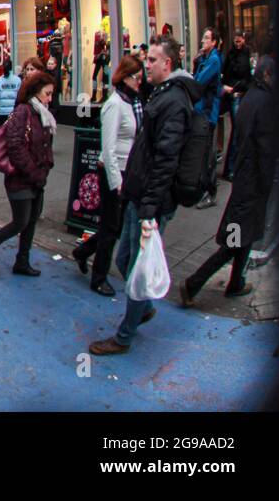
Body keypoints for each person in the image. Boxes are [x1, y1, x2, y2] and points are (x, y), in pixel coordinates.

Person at [89, 36, 201, 356]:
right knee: (125, 258)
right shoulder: (160, 94)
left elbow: (166, 160)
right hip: (138, 196)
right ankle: (144, 306)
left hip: (151, 201)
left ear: (167, 64)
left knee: (136, 266)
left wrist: (150, 205)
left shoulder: (174, 102)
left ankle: (125, 335)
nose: (145, 65)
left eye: (151, 60)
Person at [180, 57, 279, 307]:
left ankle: (235, 282)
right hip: (252, 183)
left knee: (243, 236)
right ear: (268, 75)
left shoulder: (250, 98)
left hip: (246, 180)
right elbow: (265, 147)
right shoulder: (264, 102)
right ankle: (193, 282)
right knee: (234, 241)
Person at [72, 56, 144, 296]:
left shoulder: (132, 102)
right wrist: (117, 183)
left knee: (113, 226)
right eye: (136, 78)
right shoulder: (114, 104)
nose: (139, 82)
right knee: (111, 226)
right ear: (125, 78)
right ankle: (99, 277)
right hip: (113, 171)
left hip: (127, 169)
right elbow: (109, 147)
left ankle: (82, 252)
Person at [0, 71, 57, 274]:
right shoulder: (23, 112)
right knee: (20, 221)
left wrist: (44, 169)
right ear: (35, 92)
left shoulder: (42, 113)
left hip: (37, 178)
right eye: (47, 94)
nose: (50, 98)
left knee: (30, 221)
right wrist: (34, 172)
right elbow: (15, 146)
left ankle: (22, 261)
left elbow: (44, 145)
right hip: (21, 178)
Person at [191, 28, 223, 209]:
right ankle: (203, 188)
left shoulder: (213, 60)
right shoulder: (206, 59)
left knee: (207, 155)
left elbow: (199, 82)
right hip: (202, 112)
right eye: (203, 37)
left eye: (206, 38)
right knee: (203, 153)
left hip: (208, 114)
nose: (202, 41)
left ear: (214, 42)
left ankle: (210, 193)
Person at [219, 30, 253, 179]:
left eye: (239, 41)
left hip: (241, 92)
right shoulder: (232, 55)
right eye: (236, 41)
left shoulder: (245, 53)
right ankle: (232, 167)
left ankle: (234, 167)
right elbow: (227, 74)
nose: (237, 44)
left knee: (240, 129)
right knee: (238, 129)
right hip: (236, 93)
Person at [0, 60, 21, 127]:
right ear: (11, 67)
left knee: (2, 133)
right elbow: (20, 96)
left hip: (1, 113)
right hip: (14, 112)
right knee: (13, 132)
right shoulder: (18, 80)